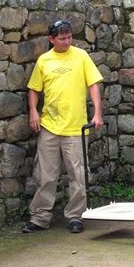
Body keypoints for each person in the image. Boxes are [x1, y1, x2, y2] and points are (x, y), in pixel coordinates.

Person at [22, 19, 104, 234]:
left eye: (69, 37)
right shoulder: (44, 61)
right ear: (51, 39)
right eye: (62, 38)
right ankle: (40, 217)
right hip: (49, 126)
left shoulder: (81, 56)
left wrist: (97, 112)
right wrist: (33, 111)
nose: (67, 41)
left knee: (77, 175)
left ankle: (76, 216)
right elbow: (34, 89)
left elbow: (93, 84)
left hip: (76, 127)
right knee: (45, 174)